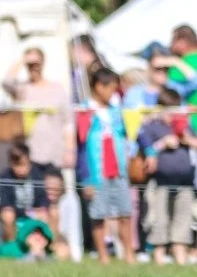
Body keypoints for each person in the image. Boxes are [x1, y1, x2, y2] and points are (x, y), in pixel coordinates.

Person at [136, 89, 197, 265]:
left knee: (184, 218)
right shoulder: (151, 126)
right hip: (160, 183)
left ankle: (180, 254)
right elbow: (142, 146)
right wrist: (162, 144)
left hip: (186, 182)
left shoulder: (185, 126)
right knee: (159, 219)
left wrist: (187, 140)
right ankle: (159, 254)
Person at [80, 67, 134, 264]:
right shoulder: (85, 110)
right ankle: (103, 255)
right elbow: (81, 146)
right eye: (111, 87)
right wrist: (86, 178)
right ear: (99, 86)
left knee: (125, 212)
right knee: (98, 214)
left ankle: (129, 254)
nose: (113, 92)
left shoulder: (116, 111)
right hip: (97, 171)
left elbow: (128, 134)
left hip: (118, 168)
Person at [2, 47, 75, 178]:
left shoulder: (57, 89)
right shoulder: (22, 89)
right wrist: (24, 60)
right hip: (31, 157)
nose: (34, 68)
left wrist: (70, 150)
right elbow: (7, 82)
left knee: (53, 195)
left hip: (55, 155)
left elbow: (68, 123)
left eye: (37, 64)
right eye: (30, 65)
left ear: (43, 63)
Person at [122, 42, 197, 109]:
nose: (162, 71)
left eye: (166, 68)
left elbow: (196, 81)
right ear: (148, 68)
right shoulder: (134, 93)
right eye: (157, 68)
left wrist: (175, 61)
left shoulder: (176, 89)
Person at [0, 141, 49, 242]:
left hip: (34, 213)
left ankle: (48, 248)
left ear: (29, 161)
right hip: (17, 215)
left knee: (49, 213)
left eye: (23, 165)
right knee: (7, 215)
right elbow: (5, 204)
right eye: (16, 165)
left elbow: (43, 198)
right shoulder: (5, 177)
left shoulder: (37, 175)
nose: (20, 169)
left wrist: (42, 209)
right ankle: (11, 247)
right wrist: (28, 213)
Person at [43, 168, 82, 262]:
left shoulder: (70, 200)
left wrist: (76, 257)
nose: (51, 191)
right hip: (38, 240)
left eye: (55, 188)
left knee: (62, 253)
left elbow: (73, 230)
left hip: (59, 241)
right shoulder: (40, 199)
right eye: (48, 187)